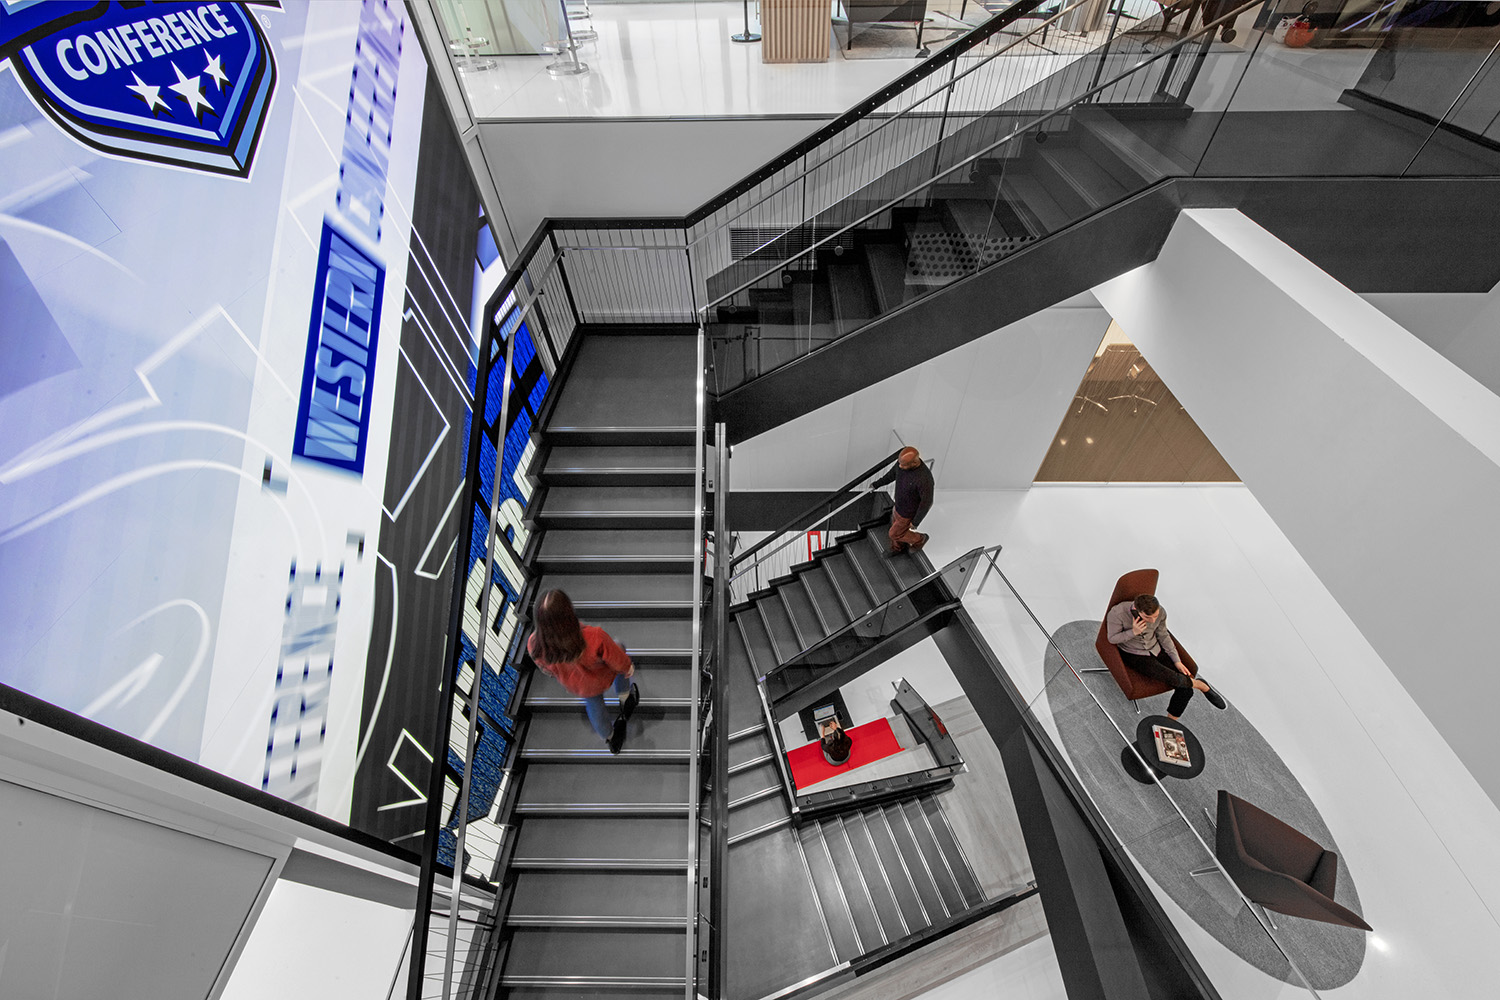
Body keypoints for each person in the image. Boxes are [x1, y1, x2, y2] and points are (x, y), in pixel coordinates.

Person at [526, 589, 640, 754]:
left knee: (594, 706)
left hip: (577, 684)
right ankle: (625, 698)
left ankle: (611, 738)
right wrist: (627, 666)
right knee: (619, 648)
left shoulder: (535, 645)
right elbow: (617, 658)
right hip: (601, 676)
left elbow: (547, 670)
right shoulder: (594, 637)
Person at [1105, 594, 1227, 720]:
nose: (1152, 621)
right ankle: (1200, 685)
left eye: (1155, 616)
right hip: (1134, 654)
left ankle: (1170, 722)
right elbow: (1112, 638)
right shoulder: (1117, 613)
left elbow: (1164, 636)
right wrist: (1133, 632)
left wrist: (1176, 660)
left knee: (1186, 690)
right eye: (1148, 617)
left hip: (1155, 649)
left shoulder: (1161, 612)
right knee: (1175, 679)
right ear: (1136, 609)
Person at [872, 446, 934, 555]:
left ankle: (920, 539)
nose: (899, 466)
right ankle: (897, 548)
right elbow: (891, 475)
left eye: (903, 465)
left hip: (907, 513)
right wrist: (876, 484)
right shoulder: (901, 464)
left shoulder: (924, 479)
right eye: (899, 463)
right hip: (898, 506)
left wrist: (915, 521)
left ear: (914, 463)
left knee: (894, 534)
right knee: (895, 526)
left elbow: (927, 502)